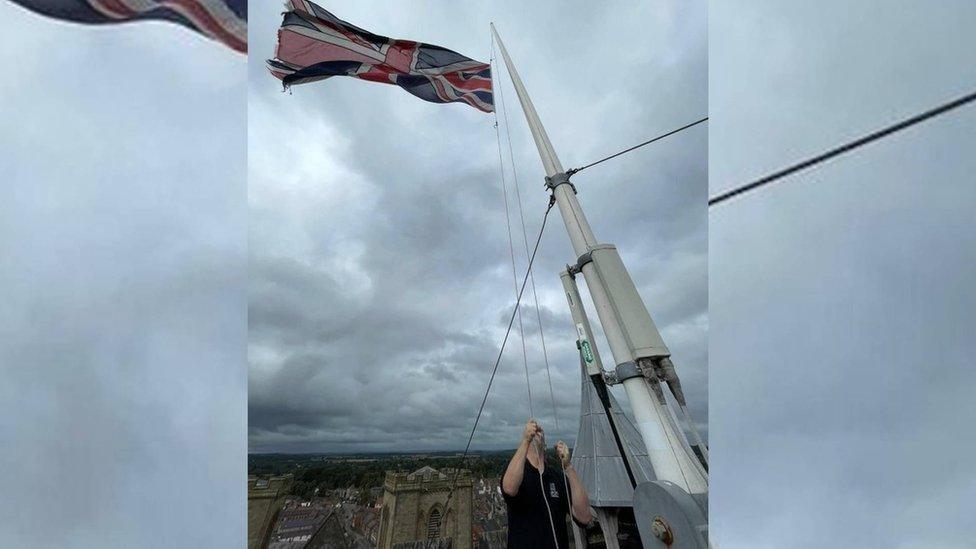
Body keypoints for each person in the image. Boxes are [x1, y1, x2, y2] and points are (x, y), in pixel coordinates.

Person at [501, 418, 592, 549]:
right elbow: (509, 488)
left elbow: (584, 517)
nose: (537, 432)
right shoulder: (517, 472)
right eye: (534, 431)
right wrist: (526, 441)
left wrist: (568, 467)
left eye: (540, 431)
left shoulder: (557, 477)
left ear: (545, 445)